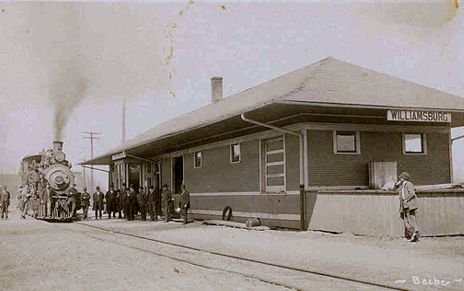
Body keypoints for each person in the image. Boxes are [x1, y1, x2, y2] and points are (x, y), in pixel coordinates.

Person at [395, 172, 419, 242]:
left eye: (401, 177)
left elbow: (412, 193)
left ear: (404, 178)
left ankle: (414, 233)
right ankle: (414, 233)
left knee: (409, 219)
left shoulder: (408, 184)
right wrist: (397, 184)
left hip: (409, 204)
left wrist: (406, 199)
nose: (400, 179)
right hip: (405, 205)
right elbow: (394, 189)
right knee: (406, 219)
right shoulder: (402, 185)